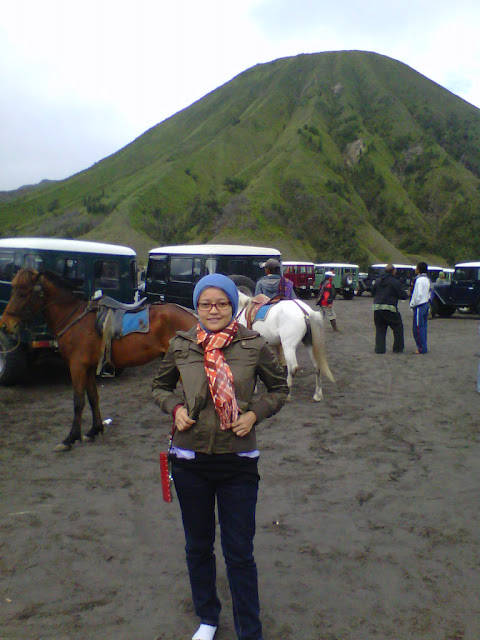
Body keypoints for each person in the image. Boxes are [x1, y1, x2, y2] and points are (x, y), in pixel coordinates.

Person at [152, 273, 289, 640]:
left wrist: (254, 413)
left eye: (221, 303)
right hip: (190, 460)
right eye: (205, 304)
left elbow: (279, 388)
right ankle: (208, 619)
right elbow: (160, 386)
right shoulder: (181, 344)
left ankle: (249, 629)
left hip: (237, 462)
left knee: (239, 551)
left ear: (233, 305)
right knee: (198, 546)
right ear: (196, 307)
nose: (213, 310)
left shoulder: (253, 345)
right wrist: (175, 407)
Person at [372, 263, 408, 353]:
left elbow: (373, 292)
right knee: (398, 328)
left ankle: (379, 349)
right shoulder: (395, 282)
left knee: (380, 329)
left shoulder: (377, 281)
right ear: (393, 271)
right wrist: (407, 293)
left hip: (377, 308)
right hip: (390, 308)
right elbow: (402, 295)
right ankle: (397, 348)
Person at [410, 261, 430, 354]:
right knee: (423, 327)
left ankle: (421, 348)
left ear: (419, 269)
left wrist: (413, 303)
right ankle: (423, 346)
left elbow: (418, 294)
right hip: (425, 304)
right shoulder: (427, 279)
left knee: (417, 328)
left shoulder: (419, 280)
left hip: (419, 306)